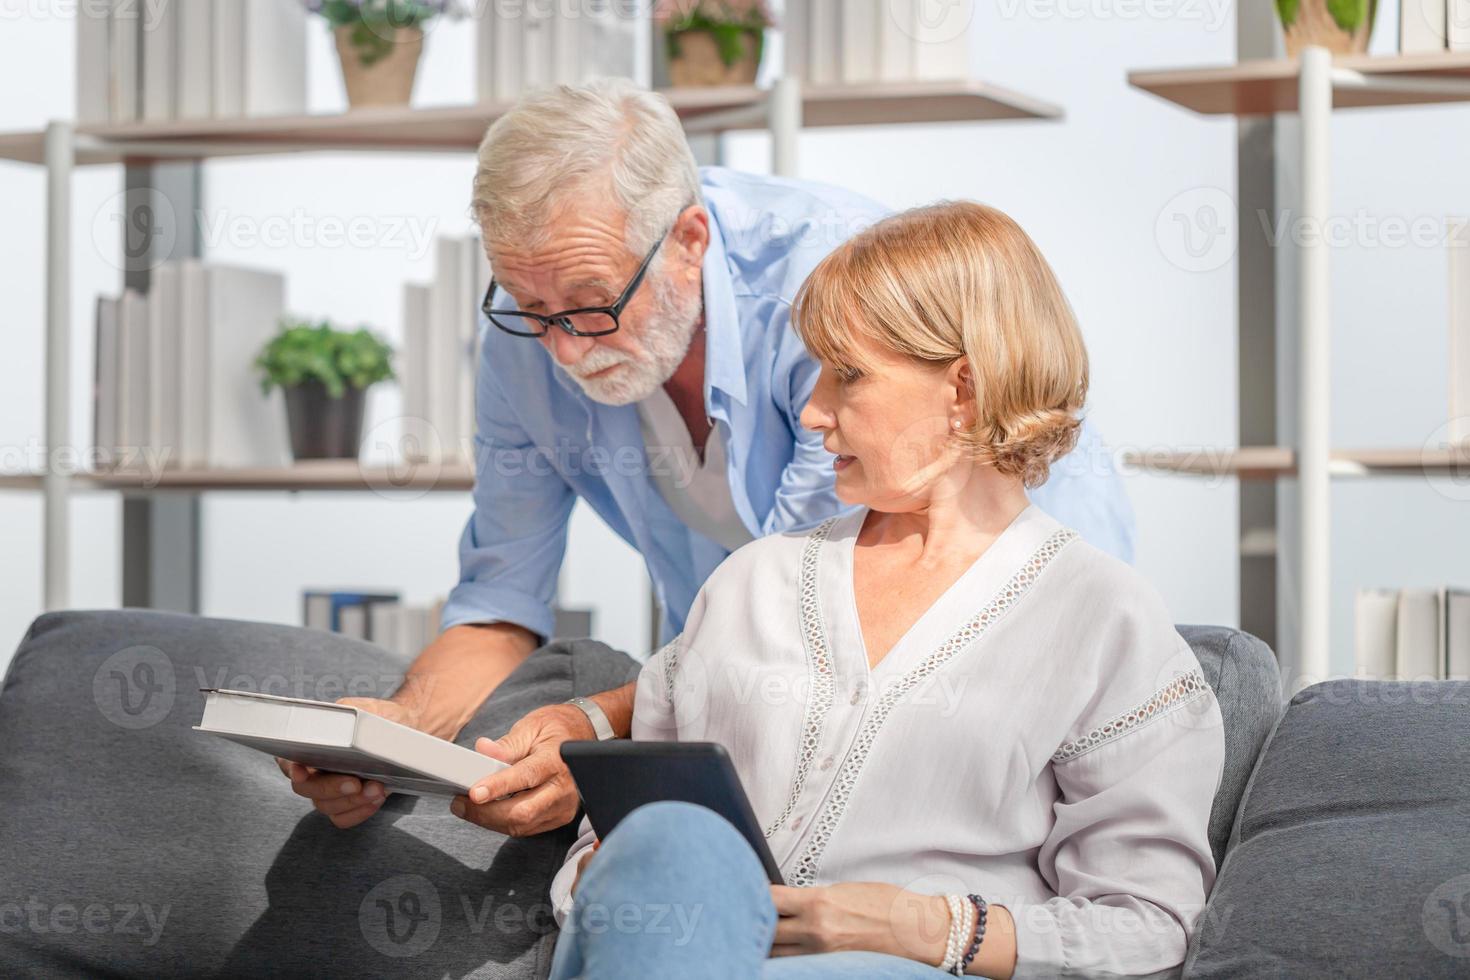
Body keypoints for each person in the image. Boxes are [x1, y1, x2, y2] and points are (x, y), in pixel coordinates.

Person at [278, 79, 1137, 838]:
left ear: (689, 237)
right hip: (755, 690)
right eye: (530, 306)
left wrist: (598, 723)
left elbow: (823, 607)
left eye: (590, 305)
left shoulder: (830, 296)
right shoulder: (528, 329)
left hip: (962, 645)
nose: (564, 351)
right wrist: (393, 731)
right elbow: (501, 597)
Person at [545, 201, 1224, 978]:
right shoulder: (748, 584)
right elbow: (614, 833)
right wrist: (617, 874)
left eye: (848, 376)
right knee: (671, 842)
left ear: (963, 390)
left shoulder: (1106, 621)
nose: (811, 412)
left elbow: (1148, 927)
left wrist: (918, 927)